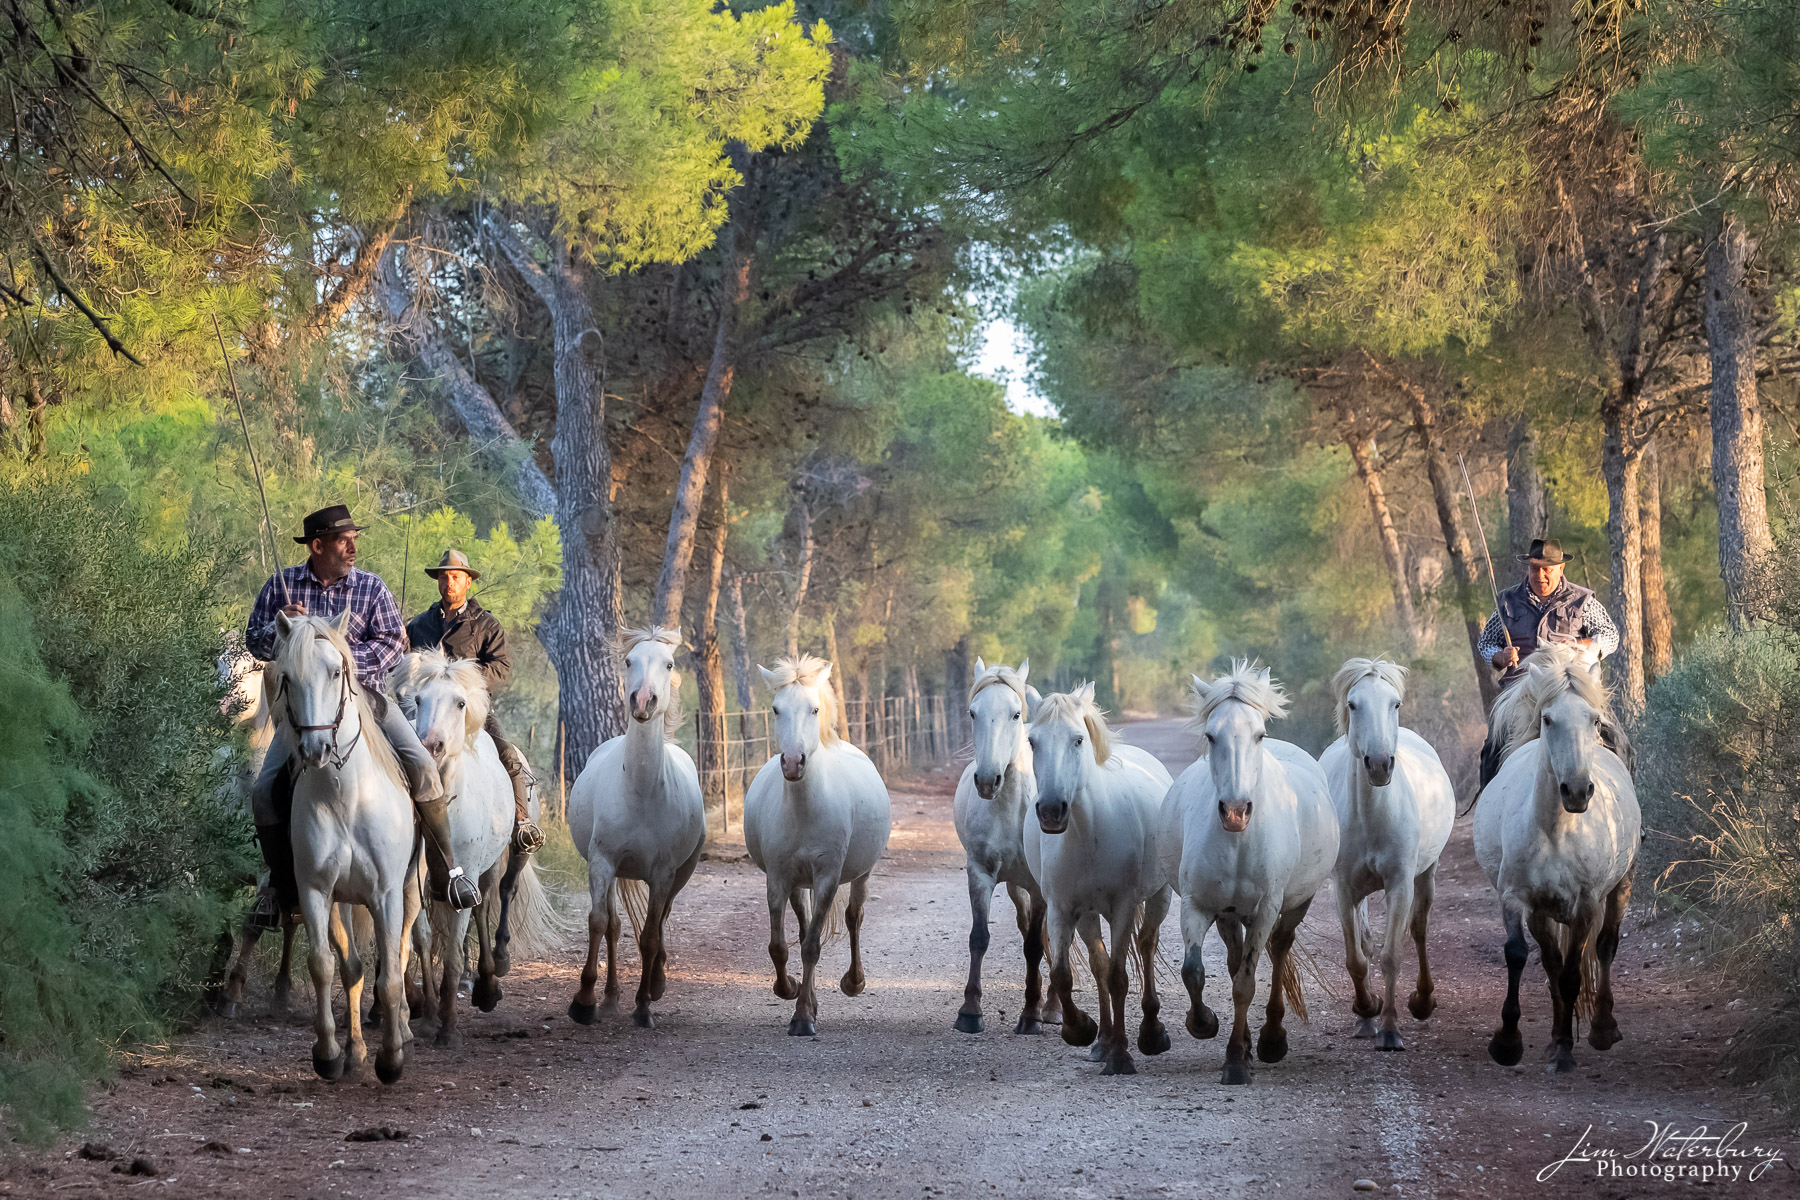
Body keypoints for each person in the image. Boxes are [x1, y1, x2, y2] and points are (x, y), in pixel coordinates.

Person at [244, 505, 481, 931]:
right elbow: (255, 638)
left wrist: (342, 659)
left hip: (367, 702)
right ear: (318, 546)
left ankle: (448, 872)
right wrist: (290, 634)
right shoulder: (280, 588)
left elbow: (394, 642)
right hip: (305, 715)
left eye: (354, 538)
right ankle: (280, 886)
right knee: (263, 790)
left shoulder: (371, 588)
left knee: (425, 768)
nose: (353, 547)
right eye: (343, 540)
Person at [405, 549, 545, 854]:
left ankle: (521, 822)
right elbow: (407, 662)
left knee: (506, 754)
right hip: (427, 709)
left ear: (468, 582)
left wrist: (463, 680)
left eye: (456, 577)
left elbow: (502, 668)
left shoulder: (486, 625)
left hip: (470, 710)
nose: (449, 583)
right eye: (444, 577)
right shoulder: (420, 624)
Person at [1475, 537, 1625, 788]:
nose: (1540, 575)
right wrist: (1499, 656)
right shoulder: (1507, 601)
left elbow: (1610, 635)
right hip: (1522, 693)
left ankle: (1627, 806)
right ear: (1528, 568)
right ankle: (1487, 806)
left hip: (1570, 690)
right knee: (1493, 748)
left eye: (1547, 569)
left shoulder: (1582, 600)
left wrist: (1580, 646)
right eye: (1535, 569)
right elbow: (1486, 643)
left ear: (1560, 569)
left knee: (1616, 741)